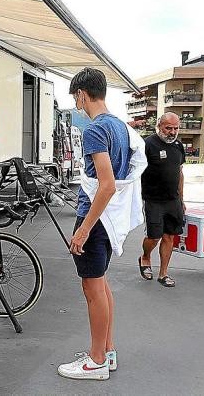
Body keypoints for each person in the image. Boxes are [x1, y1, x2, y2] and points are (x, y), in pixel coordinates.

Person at [57, 68, 142, 381]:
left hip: (95, 217)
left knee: (92, 288)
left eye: (75, 98)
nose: (77, 104)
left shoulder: (95, 129)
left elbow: (105, 184)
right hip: (110, 217)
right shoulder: (119, 126)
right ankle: (107, 351)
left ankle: (95, 362)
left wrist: (83, 229)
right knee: (101, 284)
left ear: (81, 94)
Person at [138, 112, 186, 287]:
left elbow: (180, 173)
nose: (172, 132)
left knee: (169, 236)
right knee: (154, 236)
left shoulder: (178, 146)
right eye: (168, 128)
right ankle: (145, 256)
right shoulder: (148, 145)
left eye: (176, 128)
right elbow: (136, 172)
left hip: (172, 200)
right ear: (159, 127)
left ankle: (163, 274)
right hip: (153, 200)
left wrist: (181, 199)